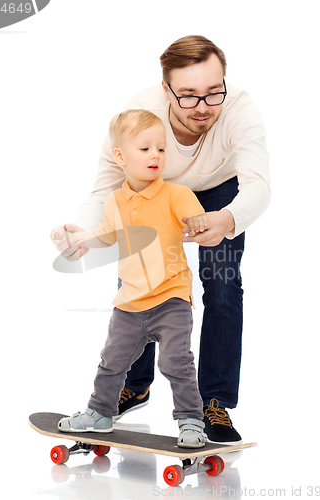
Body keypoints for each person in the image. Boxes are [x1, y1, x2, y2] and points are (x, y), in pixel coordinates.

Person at [51, 35, 270, 444]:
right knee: (136, 278)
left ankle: (213, 402)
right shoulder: (139, 114)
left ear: (224, 81)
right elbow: (105, 188)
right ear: (166, 89)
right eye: (187, 95)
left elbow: (258, 185)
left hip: (221, 193)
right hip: (156, 185)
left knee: (222, 286)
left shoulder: (240, 110)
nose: (203, 107)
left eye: (212, 92)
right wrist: (81, 231)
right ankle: (134, 386)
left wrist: (228, 218)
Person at [54, 109, 208, 448]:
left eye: (161, 148)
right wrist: (76, 239)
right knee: (112, 361)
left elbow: (194, 216)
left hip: (171, 297)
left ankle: (191, 421)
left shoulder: (175, 194)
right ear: (120, 156)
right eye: (145, 148)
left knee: (175, 362)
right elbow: (106, 236)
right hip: (130, 302)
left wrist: (198, 221)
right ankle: (100, 413)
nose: (156, 155)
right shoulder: (115, 200)